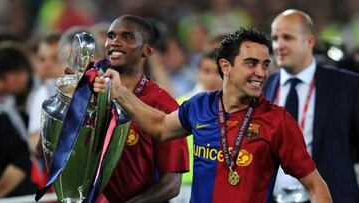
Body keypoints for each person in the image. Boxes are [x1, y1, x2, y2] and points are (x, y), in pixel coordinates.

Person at [94, 28, 332, 203]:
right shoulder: (200, 106)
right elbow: (160, 126)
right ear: (226, 66)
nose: (260, 72)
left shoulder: (277, 120)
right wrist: (120, 93)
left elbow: (315, 186)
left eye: (265, 64)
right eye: (251, 63)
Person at [264, 9, 359, 202]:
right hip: (273, 198)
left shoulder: (347, 85)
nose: (279, 45)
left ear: (310, 41)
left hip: (331, 196)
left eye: (287, 37)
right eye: (275, 38)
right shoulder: (261, 88)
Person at [96, 15, 189, 202]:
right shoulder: (93, 92)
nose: (115, 42)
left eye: (127, 37)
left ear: (148, 50)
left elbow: (171, 185)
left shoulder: (163, 105)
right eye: (111, 36)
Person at [171, 50, 222, 203]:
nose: (212, 77)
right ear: (198, 72)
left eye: (217, 72)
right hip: (183, 187)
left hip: (216, 185)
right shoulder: (181, 105)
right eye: (207, 71)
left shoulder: (234, 109)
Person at [0, 43, 38, 197]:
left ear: (21, 74)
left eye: (3, 78)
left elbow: (21, 159)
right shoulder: (10, 101)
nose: (0, 85)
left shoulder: (41, 96)